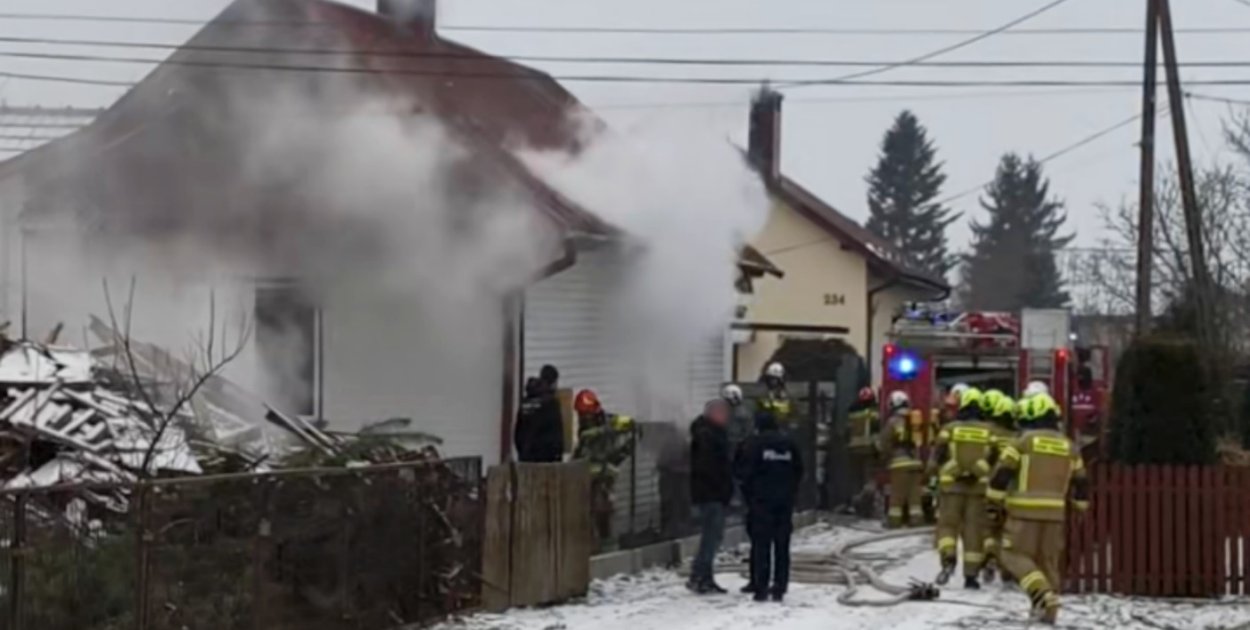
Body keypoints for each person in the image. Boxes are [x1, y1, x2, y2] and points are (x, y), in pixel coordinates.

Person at [987, 393, 1089, 625]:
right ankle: (1048, 612)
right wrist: (1080, 506)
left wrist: (993, 504)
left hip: (1023, 513)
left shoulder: (1022, 443)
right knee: (1048, 562)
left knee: (1013, 555)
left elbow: (1001, 476)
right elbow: (1081, 482)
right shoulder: (1070, 447)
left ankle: (1041, 594)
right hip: (1055, 515)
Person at [928, 387, 994, 589]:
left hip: (950, 487)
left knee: (947, 526)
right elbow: (994, 458)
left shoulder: (950, 428)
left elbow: (937, 456)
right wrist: (977, 471)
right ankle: (971, 576)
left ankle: (948, 559)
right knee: (974, 531)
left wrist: (938, 474)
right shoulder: (989, 430)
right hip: (978, 489)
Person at [735, 410, 803, 602]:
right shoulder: (789, 445)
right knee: (782, 545)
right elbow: (799, 470)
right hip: (784, 502)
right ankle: (780, 587)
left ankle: (761, 587)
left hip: (761, 502)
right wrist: (791, 491)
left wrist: (749, 496)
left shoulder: (753, 444)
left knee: (761, 544)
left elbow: (743, 472)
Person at [572, 389, 637, 543]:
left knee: (604, 510)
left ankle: (606, 541)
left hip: (606, 475)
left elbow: (631, 425)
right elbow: (580, 449)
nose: (584, 418)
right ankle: (592, 542)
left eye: (586, 414)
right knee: (587, 511)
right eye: (582, 414)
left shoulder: (610, 420)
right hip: (586, 476)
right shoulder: (581, 428)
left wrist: (619, 456)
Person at [688, 399, 734, 594]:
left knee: (711, 537)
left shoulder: (707, 433)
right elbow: (710, 467)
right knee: (711, 538)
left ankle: (701, 575)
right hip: (711, 493)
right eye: (723, 414)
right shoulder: (709, 436)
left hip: (709, 492)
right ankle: (701, 576)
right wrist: (722, 487)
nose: (726, 418)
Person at [982, 394, 1020, 584]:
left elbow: (986, 459)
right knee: (1008, 531)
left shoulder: (991, 434)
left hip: (993, 489)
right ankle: (1007, 570)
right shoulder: (1018, 438)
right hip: (1012, 492)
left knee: (991, 528)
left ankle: (989, 556)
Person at [878, 390, 924, 528]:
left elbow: (885, 443)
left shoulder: (892, 421)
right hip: (916, 463)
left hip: (899, 463)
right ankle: (916, 521)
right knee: (914, 497)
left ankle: (894, 522)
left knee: (897, 497)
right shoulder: (915, 419)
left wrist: (883, 458)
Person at [514, 368, 564, 463]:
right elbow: (556, 433)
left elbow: (518, 431)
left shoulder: (526, 402)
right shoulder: (551, 403)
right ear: (553, 382)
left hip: (526, 457)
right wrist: (558, 456)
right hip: (546, 459)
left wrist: (522, 452)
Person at [847, 387, 880, 515]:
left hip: (853, 450)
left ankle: (856, 504)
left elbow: (847, 432)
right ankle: (866, 505)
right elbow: (877, 433)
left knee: (856, 480)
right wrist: (879, 450)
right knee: (869, 479)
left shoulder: (852, 414)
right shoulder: (873, 414)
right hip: (868, 449)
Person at [757, 362, 793, 427]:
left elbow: (789, 409)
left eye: (775, 379)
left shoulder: (785, 393)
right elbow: (761, 407)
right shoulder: (764, 392)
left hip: (783, 427)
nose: (773, 381)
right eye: (770, 378)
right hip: (766, 427)